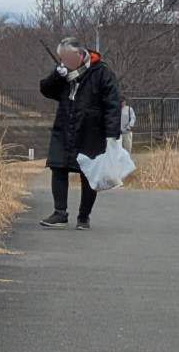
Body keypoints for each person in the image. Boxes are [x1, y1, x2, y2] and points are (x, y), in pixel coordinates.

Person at [39, 38, 122, 230]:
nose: (65, 61)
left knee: (89, 173)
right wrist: (57, 75)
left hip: (91, 130)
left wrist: (112, 134)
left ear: (79, 54)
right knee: (58, 167)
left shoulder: (102, 72)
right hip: (64, 126)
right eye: (62, 58)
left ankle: (84, 216)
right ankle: (60, 213)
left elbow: (112, 104)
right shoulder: (63, 72)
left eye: (67, 57)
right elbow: (46, 90)